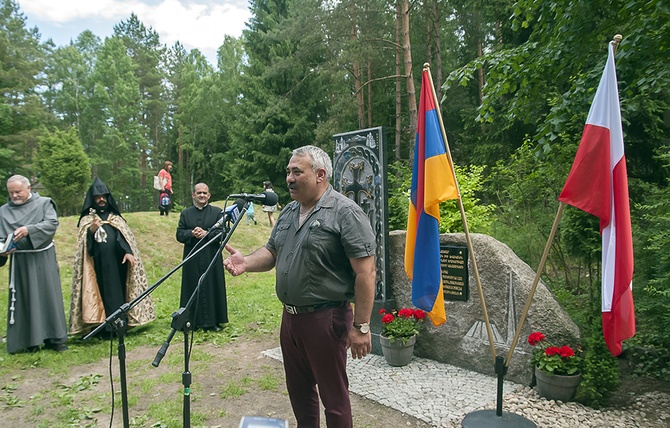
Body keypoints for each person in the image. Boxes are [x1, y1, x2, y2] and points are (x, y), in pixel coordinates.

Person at [224, 145, 376, 427]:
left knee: (334, 400)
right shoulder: (289, 212)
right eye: (288, 172)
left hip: (325, 319)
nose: (289, 179)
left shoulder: (345, 212)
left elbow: (366, 272)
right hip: (290, 320)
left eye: (297, 172)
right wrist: (246, 262)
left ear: (320, 175)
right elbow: (271, 251)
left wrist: (362, 326)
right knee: (300, 393)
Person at [69, 178, 156, 336]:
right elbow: (85, 248)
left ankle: (119, 325)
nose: (101, 199)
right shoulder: (87, 221)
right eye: (97, 197)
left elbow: (122, 237)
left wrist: (128, 252)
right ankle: (100, 328)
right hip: (96, 267)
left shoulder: (115, 219)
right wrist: (92, 231)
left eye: (104, 196)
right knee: (99, 295)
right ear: (92, 199)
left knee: (117, 293)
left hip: (117, 265)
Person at [0, 175, 68, 353]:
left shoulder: (44, 204)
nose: (14, 196)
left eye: (18, 192)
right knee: (24, 298)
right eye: (11, 193)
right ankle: (28, 341)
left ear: (28, 188)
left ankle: (55, 338)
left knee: (48, 296)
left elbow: (51, 223)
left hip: (42, 258)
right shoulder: (3, 211)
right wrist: (3, 249)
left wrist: (29, 230)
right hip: (20, 262)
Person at [176, 183, 229, 331]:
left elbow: (224, 232)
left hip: (211, 256)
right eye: (199, 193)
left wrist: (206, 234)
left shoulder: (217, 212)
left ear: (209, 195)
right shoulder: (186, 214)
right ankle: (191, 322)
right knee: (191, 287)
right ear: (193, 195)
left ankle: (213, 322)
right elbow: (179, 234)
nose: (202, 195)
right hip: (192, 258)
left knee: (212, 286)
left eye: (205, 193)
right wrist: (191, 233)